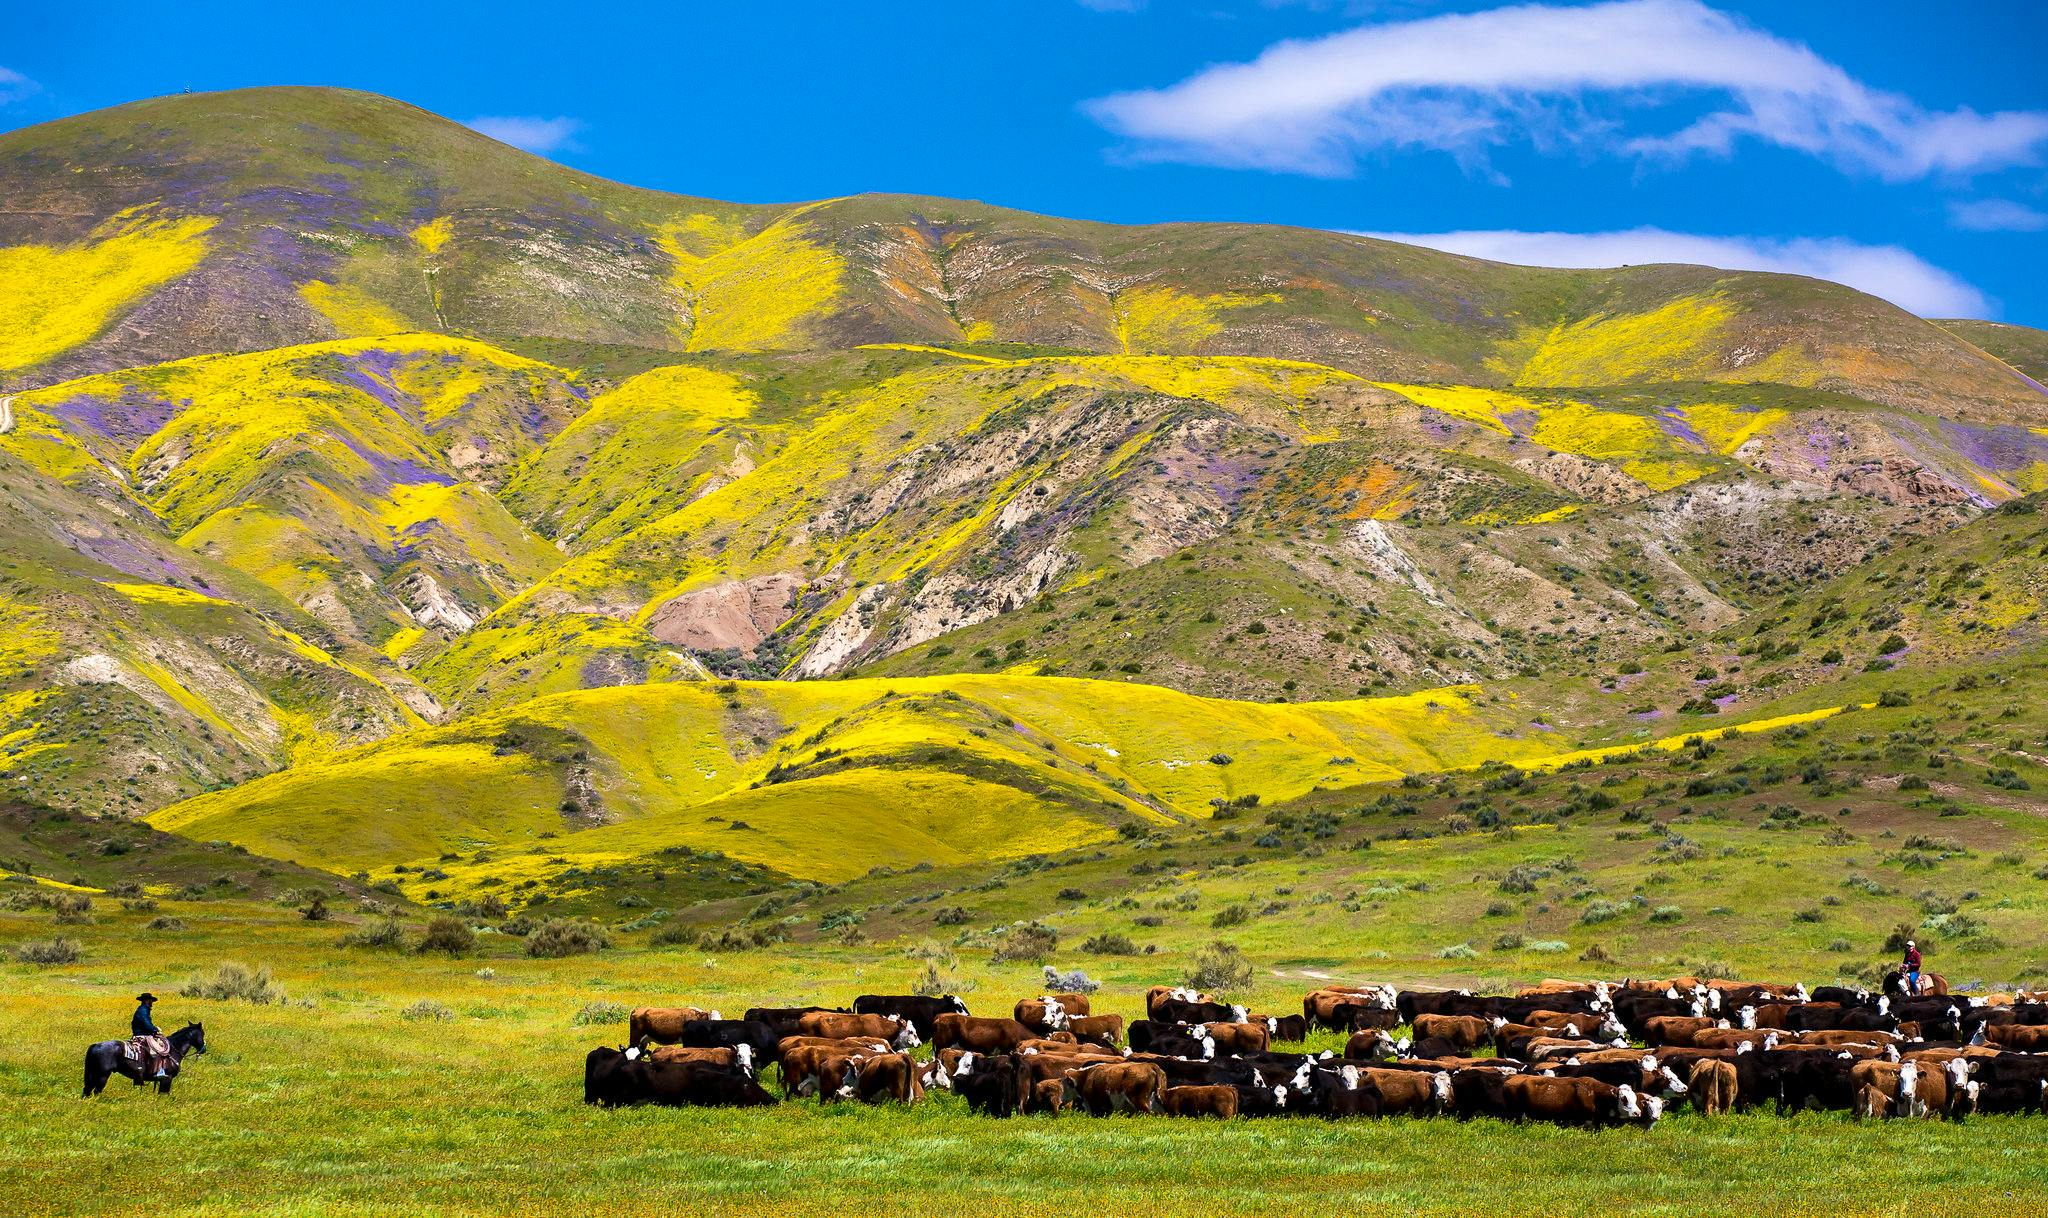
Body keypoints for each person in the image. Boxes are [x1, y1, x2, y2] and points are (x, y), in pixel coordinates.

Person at [131, 992, 170, 1079]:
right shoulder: (143, 1010)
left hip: (140, 1033)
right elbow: (146, 1024)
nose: (152, 1003)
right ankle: (159, 1071)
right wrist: (155, 1029)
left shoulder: (142, 1009)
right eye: (151, 1001)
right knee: (160, 1048)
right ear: (147, 1001)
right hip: (142, 1035)